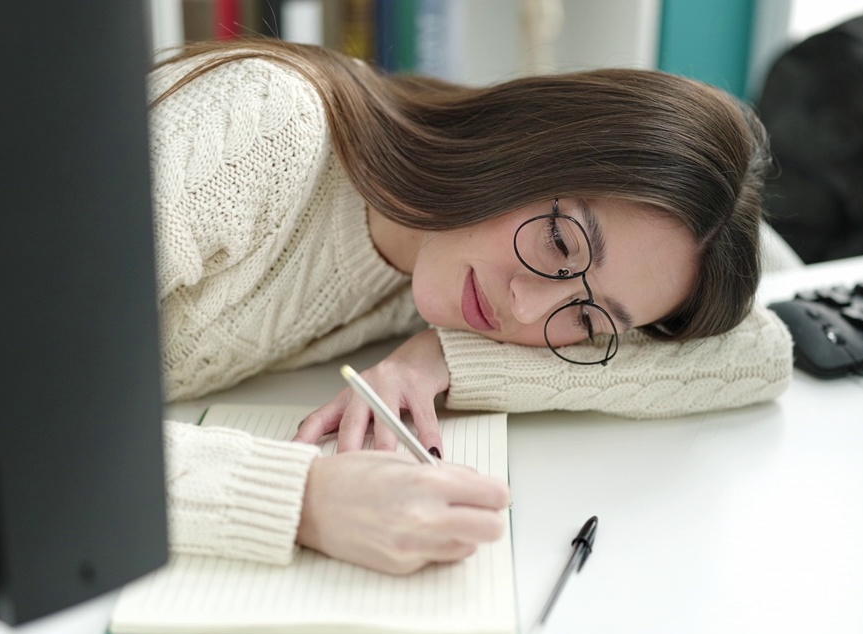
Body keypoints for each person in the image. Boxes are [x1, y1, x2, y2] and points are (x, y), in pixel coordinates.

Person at [150, 38, 793, 575]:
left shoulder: (457, 260)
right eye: (561, 241)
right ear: (530, 140)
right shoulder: (262, 130)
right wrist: (301, 501)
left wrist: (449, 358)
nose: (526, 306)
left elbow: (757, 355)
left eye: (588, 320)